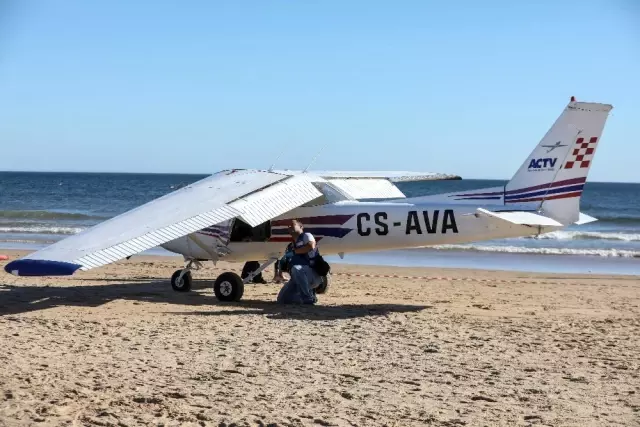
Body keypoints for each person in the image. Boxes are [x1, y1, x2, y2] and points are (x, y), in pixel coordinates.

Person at [276, 219, 323, 305]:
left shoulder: (306, 236)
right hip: (297, 278)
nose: (290, 227)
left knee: (297, 268)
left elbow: (310, 246)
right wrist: (280, 271)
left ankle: (307, 297)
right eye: (288, 226)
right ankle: (310, 295)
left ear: (301, 227)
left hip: (312, 274)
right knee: (282, 300)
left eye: (292, 225)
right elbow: (285, 262)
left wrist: (294, 252)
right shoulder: (290, 246)